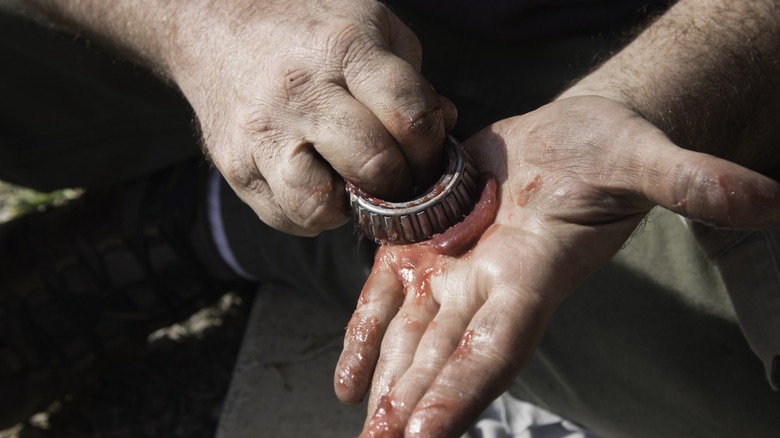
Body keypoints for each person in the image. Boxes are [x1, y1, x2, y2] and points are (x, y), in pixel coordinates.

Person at [1, 0, 779, 436]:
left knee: (733, 403)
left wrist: (656, 92)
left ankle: (207, 220)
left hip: (664, 43)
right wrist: (208, 27)